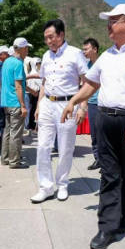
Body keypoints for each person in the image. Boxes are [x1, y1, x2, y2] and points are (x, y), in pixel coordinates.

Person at [62, 4, 125, 249]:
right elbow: (91, 83)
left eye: (113, 21)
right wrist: (74, 101)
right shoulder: (107, 56)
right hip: (106, 119)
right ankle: (107, 227)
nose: (108, 26)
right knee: (109, 173)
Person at [30, 19, 88, 204]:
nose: (48, 41)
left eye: (51, 37)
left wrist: (82, 106)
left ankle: (62, 184)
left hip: (67, 105)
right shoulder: (46, 56)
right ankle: (45, 187)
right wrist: (39, 105)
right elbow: (44, 83)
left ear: (61, 35)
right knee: (43, 146)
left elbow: (87, 82)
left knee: (64, 147)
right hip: (47, 103)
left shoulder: (75, 54)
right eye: (46, 38)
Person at [0, 37, 31, 169]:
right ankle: (14, 161)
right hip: (15, 102)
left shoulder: (7, 61)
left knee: (7, 131)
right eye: (27, 48)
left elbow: (1, 83)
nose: (28, 51)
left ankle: (6, 158)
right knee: (16, 134)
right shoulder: (18, 64)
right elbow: (18, 86)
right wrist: (23, 105)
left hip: (6, 102)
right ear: (22, 48)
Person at [83, 38, 101, 170]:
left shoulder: (104, 63)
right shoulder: (86, 66)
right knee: (94, 134)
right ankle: (97, 159)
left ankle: (107, 160)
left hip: (104, 104)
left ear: (94, 49)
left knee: (104, 134)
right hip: (92, 103)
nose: (84, 51)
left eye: (86, 49)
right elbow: (84, 85)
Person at [26, 57, 42, 133]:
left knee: (33, 110)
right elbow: (41, 84)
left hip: (35, 93)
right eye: (39, 63)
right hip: (34, 94)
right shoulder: (33, 74)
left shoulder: (32, 73)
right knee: (34, 110)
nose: (40, 65)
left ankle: (33, 126)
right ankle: (33, 126)